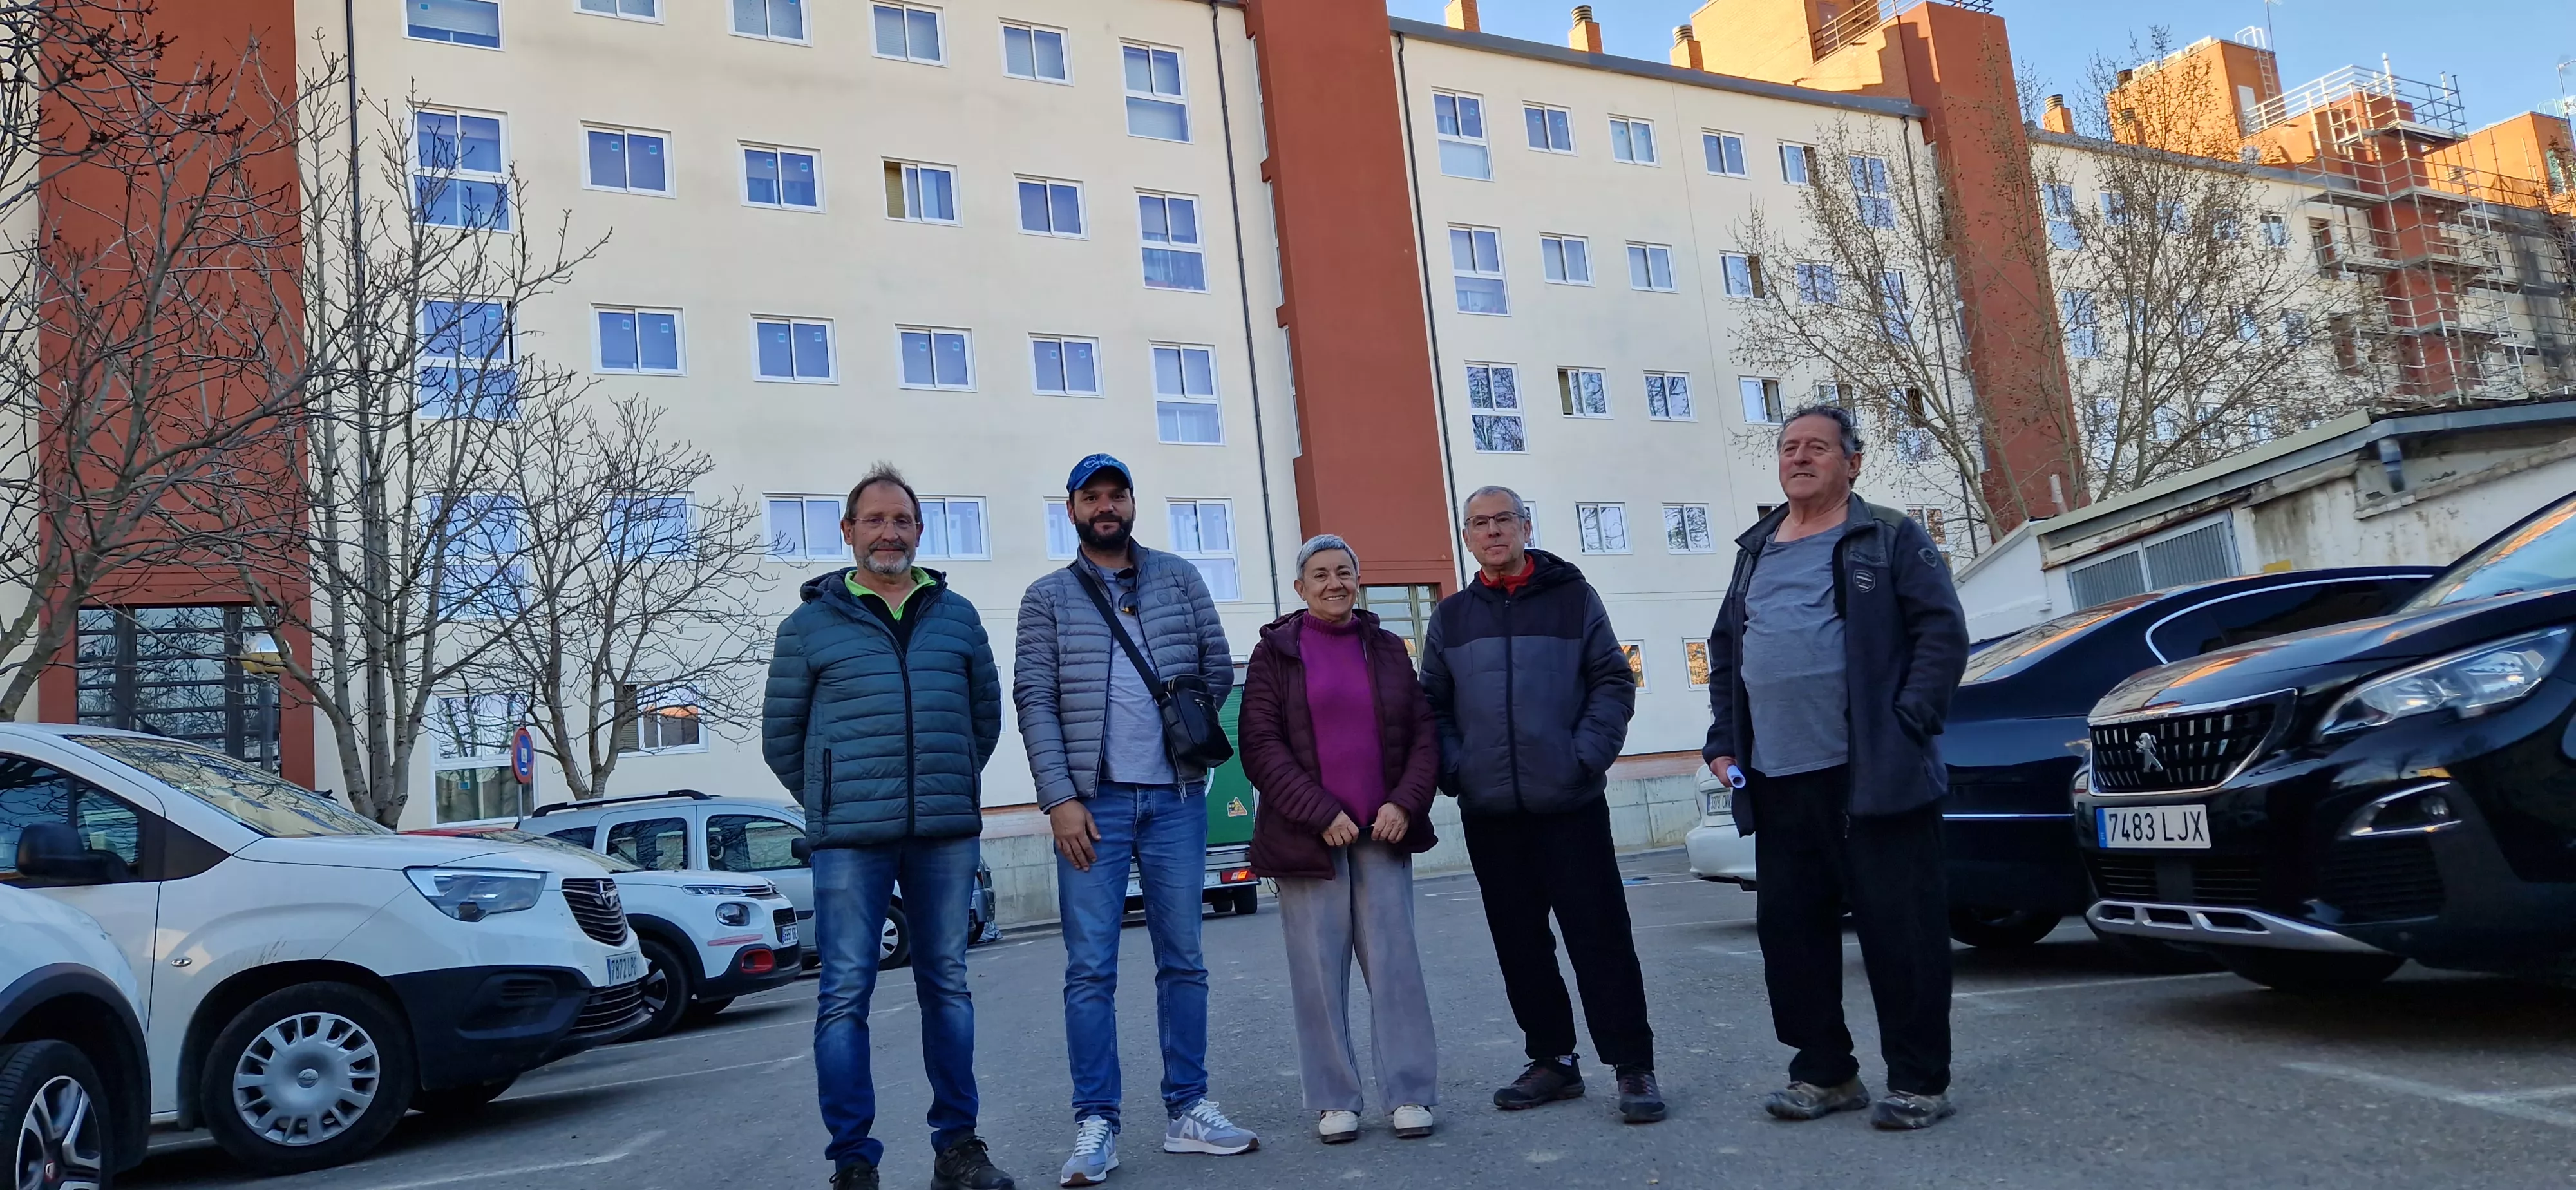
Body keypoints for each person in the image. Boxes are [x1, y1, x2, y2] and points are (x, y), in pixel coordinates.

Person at [1701, 404, 1969, 1131]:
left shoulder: (1887, 537)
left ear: (1853, 461)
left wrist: (1907, 721)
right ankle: (1824, 1073)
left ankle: (1918, 1081)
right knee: (1790, 935)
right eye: (1789, 447)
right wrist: (1724, 739)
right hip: (1778, 778)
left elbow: (1940, 633)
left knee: (1900, 934)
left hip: (1872, 776)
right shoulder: (1755, 549)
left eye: (1816, 447)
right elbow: (1727, 650)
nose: (1799, 457)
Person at [762, 464, 1016, 1190]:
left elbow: (983, 718)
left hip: (943, 831)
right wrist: (832, 801)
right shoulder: (808, 626)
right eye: (873, 520)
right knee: (843, 994)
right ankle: (852, 1164)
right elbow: (782, 736)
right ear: (848, 533)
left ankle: (958, 1151)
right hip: (849, 842)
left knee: (949, 987)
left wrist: (951, 781)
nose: (888, 532)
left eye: (901, 520)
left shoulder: (958, 616)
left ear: (919, 531)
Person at [1014, 453, 1258, 1187]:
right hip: (1092, 807)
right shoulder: (1046, 598)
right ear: (1073, 510)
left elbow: (1216, 666)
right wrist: (1060, 800)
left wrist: (1183, 730)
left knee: (1183, 958)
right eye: (1093, 496)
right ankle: (1097, 1123)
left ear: (1130, 504)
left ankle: (1188, 1108)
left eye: (1117, 493)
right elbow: (1035, 702)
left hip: (1177, 802)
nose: (1107, 505)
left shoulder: (1179, 578)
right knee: (1090, 969)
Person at [1419, 485, 1664, 1125]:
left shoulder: (1573, 599)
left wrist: (1583, 757)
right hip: (1491, 810)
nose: (1493, 531)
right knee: (1520, 944)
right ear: (1467, 537)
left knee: (1600, 938)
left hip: (1570, 803)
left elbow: (1612, 680)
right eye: (1479, 523)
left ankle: (1632, 1065)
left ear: (1526, 526)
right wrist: (1456, 768)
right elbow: (1432, 706)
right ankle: (1552, 1060)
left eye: (1503, 520)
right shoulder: (1451, 618)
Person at [1240, 534, 1442, 1146]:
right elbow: (1261, 745)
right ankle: (1335, 1100)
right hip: (1309, 841)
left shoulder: (1386, 649)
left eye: (1344, 572)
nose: (1334, 583)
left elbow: (1423, 735)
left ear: (1359, 580)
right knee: (1318, 975)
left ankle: (1409, 1094)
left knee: (1397, 968)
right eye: (1320, 574)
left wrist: (1404, 803)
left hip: (1382, 833)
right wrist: (1318, 811)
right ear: (1300, 589)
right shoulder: (1274, 653)